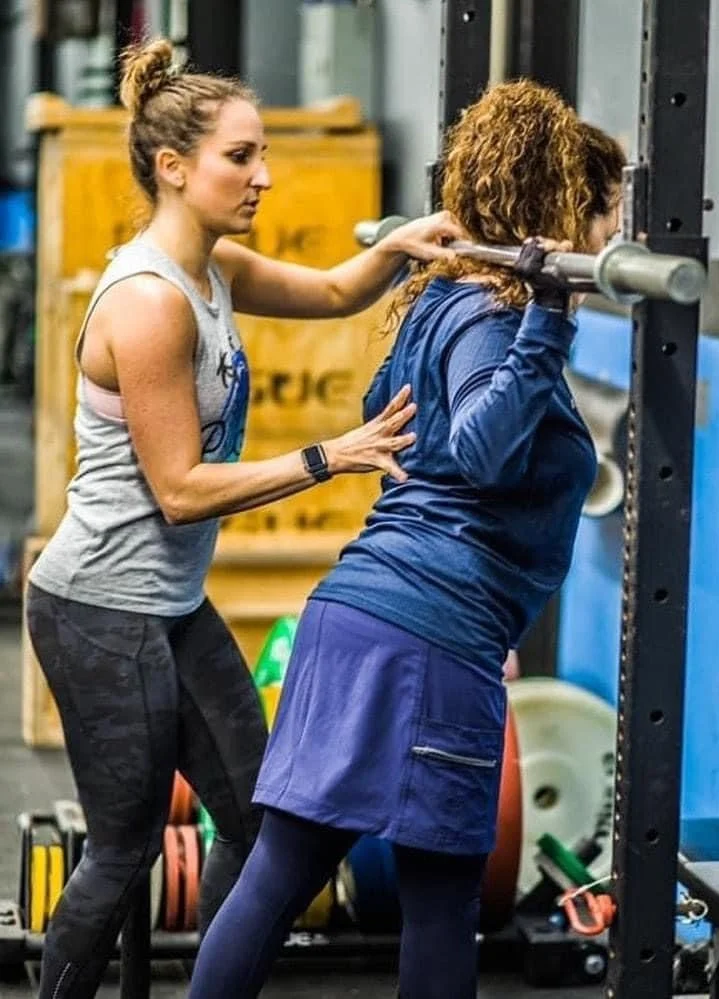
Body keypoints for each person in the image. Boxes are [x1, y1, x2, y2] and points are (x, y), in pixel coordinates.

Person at [24, 37, 464, 999]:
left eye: (264, 153)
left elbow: (340, 292)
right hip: (97, 610)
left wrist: (411, 241)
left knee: (261, 817)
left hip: (171, 607)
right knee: (123, 845)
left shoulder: (216, 270)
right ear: (173, 169)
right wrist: (328, 457)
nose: (264, 175)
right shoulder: (150, 305)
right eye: (241, 157)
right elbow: (178, 488)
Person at [186, 78, 625, 999]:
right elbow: (476, 446)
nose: (612, 233)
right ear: (562, 208)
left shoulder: (437, 298)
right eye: (607, 210)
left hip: (350, 613)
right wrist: (546, 316)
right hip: (433, 629)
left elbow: (381, 405)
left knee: (281, 872)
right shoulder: (501, 315)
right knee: (439, 898)